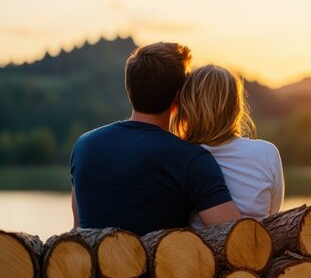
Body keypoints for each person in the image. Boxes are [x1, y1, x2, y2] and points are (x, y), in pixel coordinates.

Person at [70, 43, 241, 236]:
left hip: (89, 265)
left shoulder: (84, 145)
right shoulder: (191, 159)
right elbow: (238, 238)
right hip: (157, 266)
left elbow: (77, 228)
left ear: (130, 87)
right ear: (179, 97)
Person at [170, 64, 284, 227]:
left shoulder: (177, 157)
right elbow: (274, 215)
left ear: (187, 106)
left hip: (195, 251)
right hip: (257, 249)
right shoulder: (266, 153)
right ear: (236, 107)